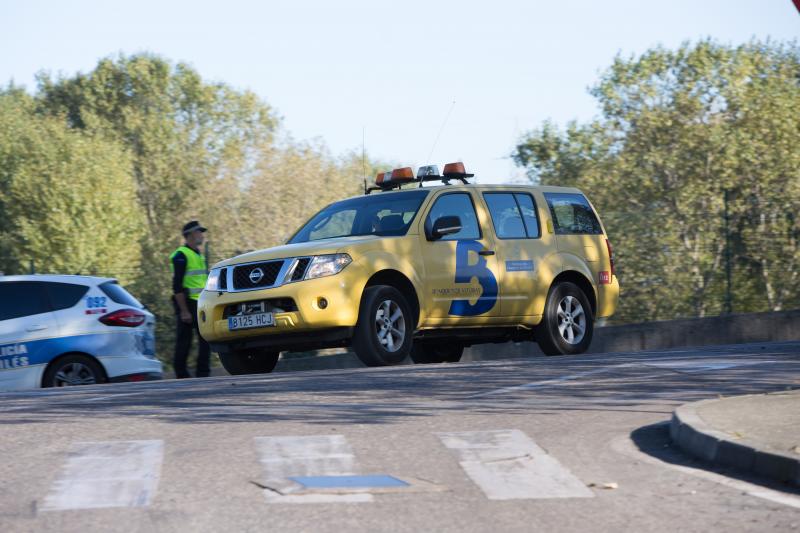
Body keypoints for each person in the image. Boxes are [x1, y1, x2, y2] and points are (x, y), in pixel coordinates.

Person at [169, 221, 210, 378]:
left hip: (200, 303)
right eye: (199, 232)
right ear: (191, 234)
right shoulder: (181, 255)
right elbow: (177, 286)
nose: (202, 235)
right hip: (187, 302)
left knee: (205, 338)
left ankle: (203, 373)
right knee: (184, 341)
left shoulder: (198, 254)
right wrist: (184, 310)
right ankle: (181, 374)